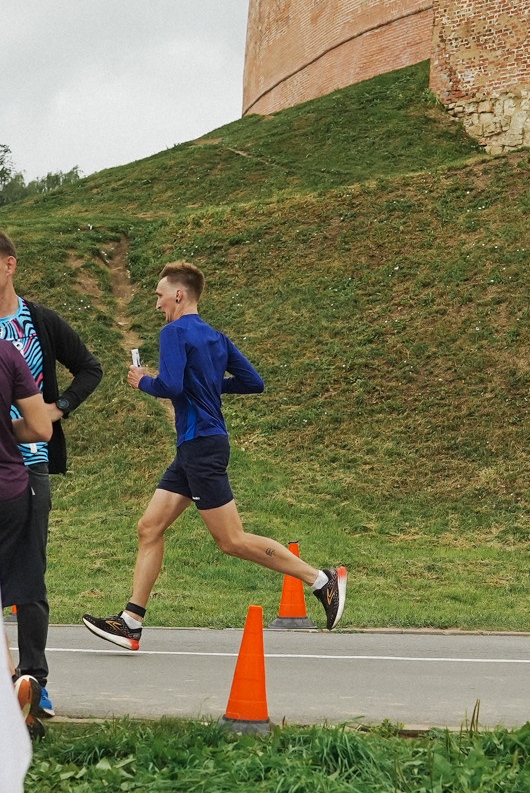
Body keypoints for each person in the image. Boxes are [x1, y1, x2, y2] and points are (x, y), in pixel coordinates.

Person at [81, 260, 345, 648]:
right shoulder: (217, 338)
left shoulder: (173, 332)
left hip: (201, 445)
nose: (157, 304)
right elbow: (253, 382)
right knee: (149, 528)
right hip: (197, 446)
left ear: (178, 294)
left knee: (232, 540)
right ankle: (130, 622)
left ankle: (320, 580)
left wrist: (143, 382)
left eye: (159, 295)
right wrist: (206, 386)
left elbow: (170, 386)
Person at [0, 231, 106, 720]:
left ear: (10, 265)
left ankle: (36, 681)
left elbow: (89, 368)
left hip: (30, 461)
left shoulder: (39, 321)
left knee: (30, 573)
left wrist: (59, 409)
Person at [0, 328, 62, 733]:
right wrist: (2, 430)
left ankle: (6, 687)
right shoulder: (4, 352)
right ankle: (23, 681)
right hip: (11, 489)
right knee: (19, 586)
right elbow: (41, 428)